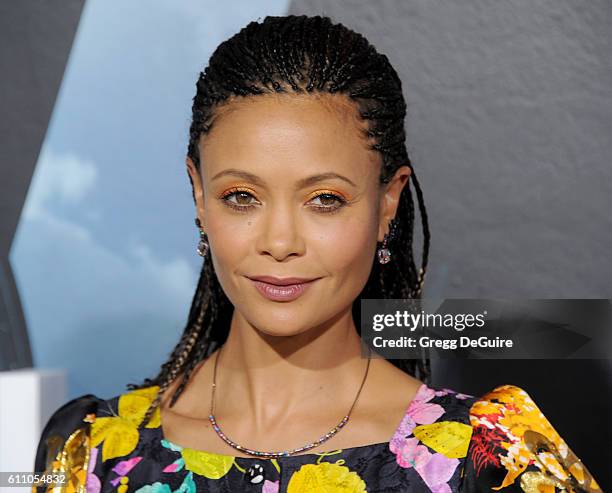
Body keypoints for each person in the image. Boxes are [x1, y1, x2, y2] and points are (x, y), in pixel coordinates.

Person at [33, 15, 601, 493]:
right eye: (241, 197)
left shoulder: (491, 460)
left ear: (387, 204)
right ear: (199, 197)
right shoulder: (93, 451)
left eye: (324, 200)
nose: (279, 242)